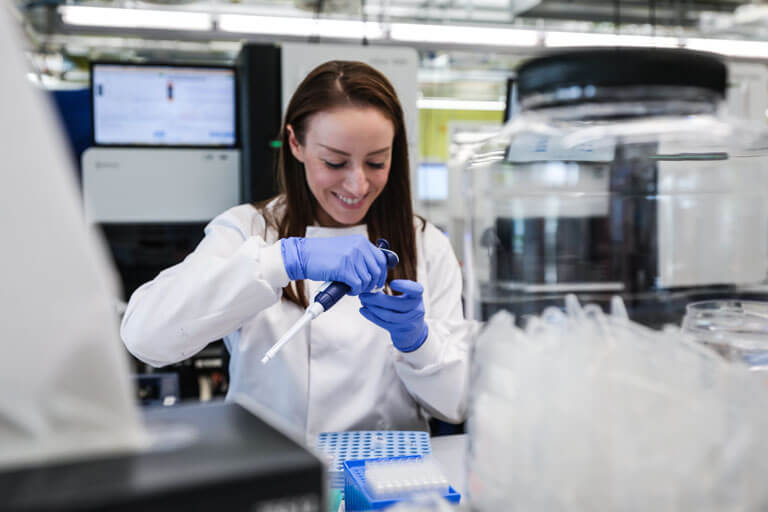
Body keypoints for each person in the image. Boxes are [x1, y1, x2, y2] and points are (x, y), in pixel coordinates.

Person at [121, 60, 471, 438]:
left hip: (389, 483)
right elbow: (145, 337)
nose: (357, 185)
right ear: (296, 144)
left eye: (376, 162)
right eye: (334, 162)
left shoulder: (425, 244)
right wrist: (278, 261)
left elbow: (456, 404)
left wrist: (418, 342)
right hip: (271, 475)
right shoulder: (249, 230)